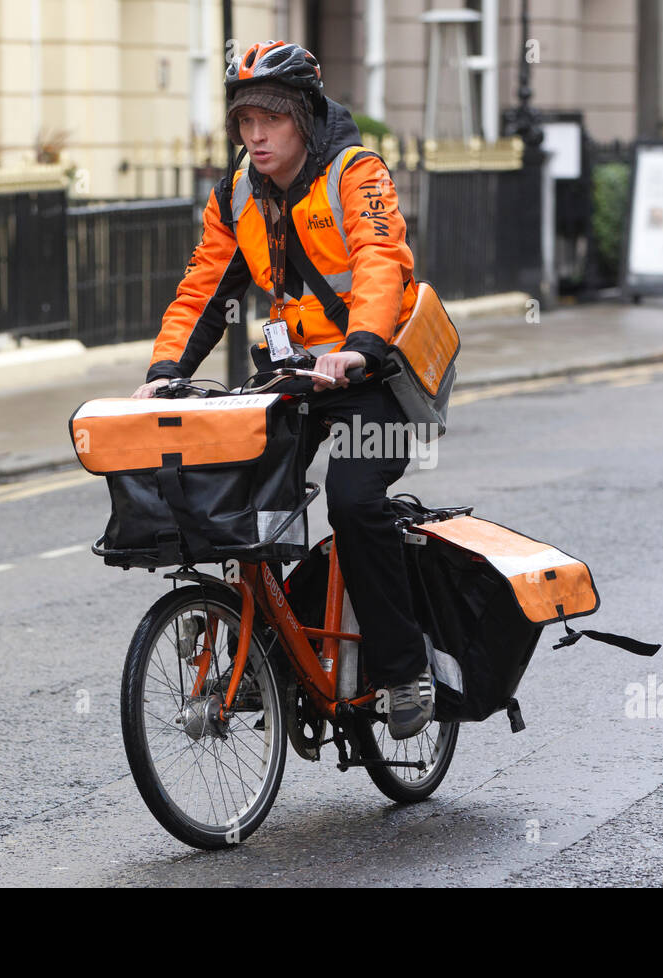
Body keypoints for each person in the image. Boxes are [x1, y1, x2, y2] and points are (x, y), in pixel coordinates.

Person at [131, 40, 435, 739]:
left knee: (354, 504)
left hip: (375, 376)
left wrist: (359, 348)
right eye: (245, 122)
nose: (257, 136)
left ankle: (402, 669)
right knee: (240, 500)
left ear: (304, 114)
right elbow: (203, 287)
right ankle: (265, 655)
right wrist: (164, 372)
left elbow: (380, 262)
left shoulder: (356, 173)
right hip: (295, 376)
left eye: (271, 119)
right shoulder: (237, 191)